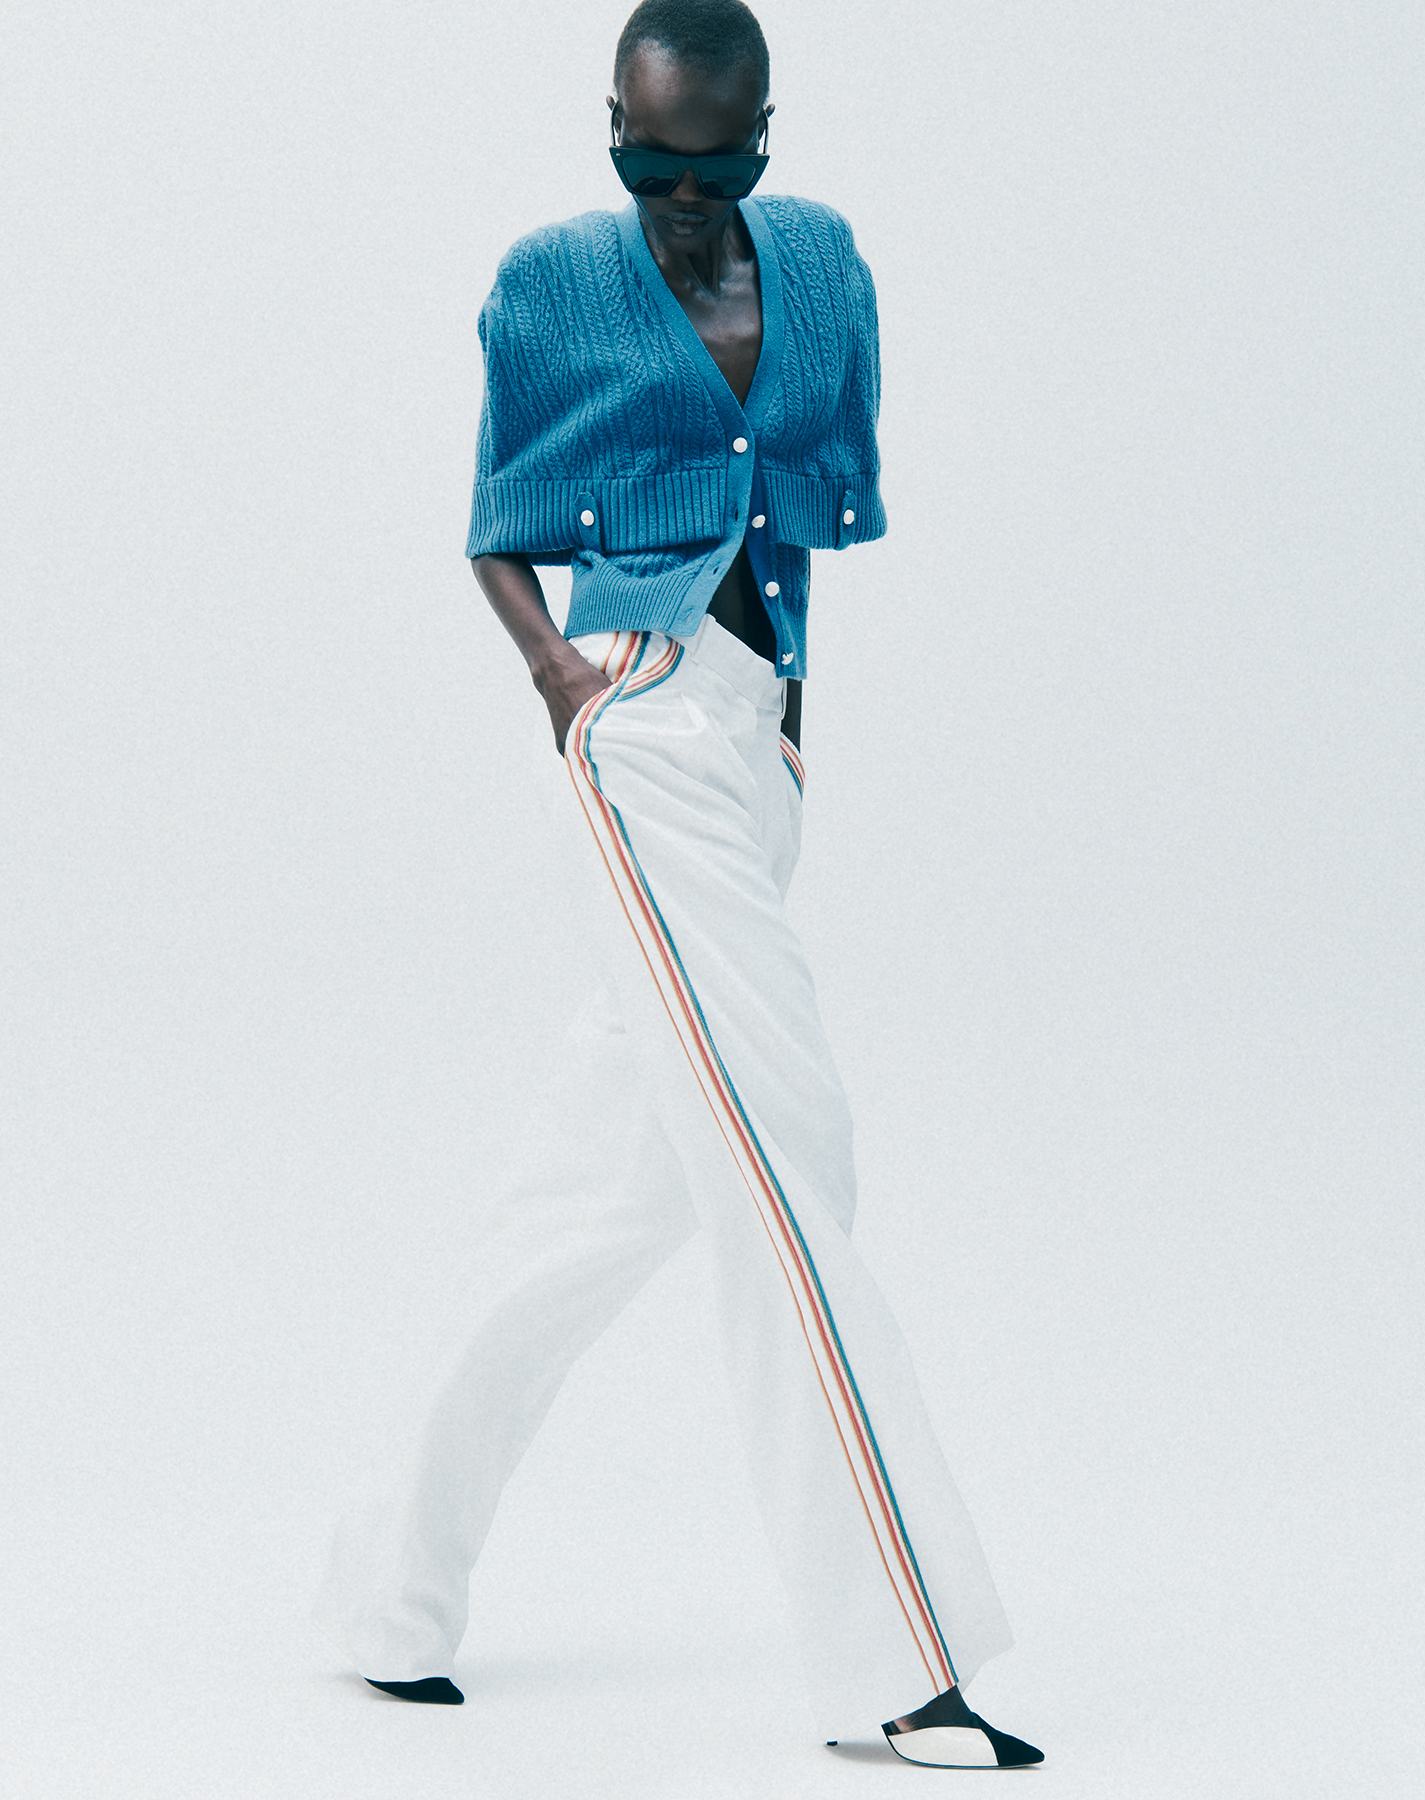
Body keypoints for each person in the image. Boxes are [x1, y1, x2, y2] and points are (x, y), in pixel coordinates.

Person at [313, 0, 1043, 1769]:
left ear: (766, 139)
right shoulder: (555, 280)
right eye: (653, 160)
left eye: (718, 164)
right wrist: (569, 689)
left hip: (754, 739)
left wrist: (786, 725)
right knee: (789, 1163)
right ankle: (899, 1662)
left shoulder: (823, 263)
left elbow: (806, 505)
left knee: (598, 1196)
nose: (686, 195)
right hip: (634, 727)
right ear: (613, 127)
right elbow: (496, 524)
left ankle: (379, 1596)